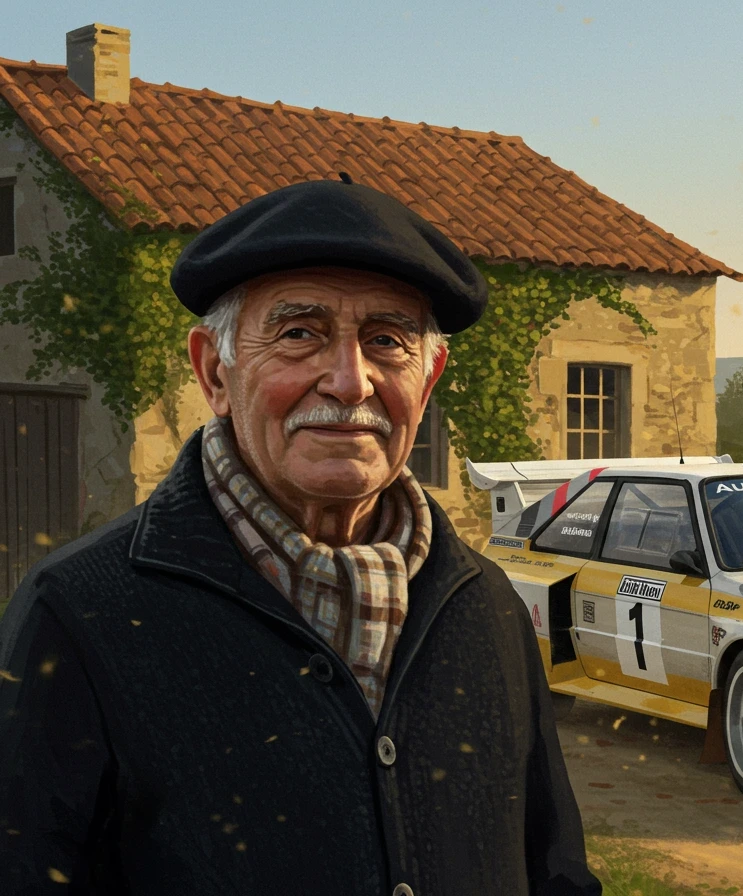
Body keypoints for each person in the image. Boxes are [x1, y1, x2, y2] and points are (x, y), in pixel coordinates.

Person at [0, 177, 602, 896]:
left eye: (386, 340)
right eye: (298, 334)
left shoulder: (486, 602)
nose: (350, 382)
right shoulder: (78, 614)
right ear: (214, 372)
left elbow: (556, 871)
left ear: (430, 376)